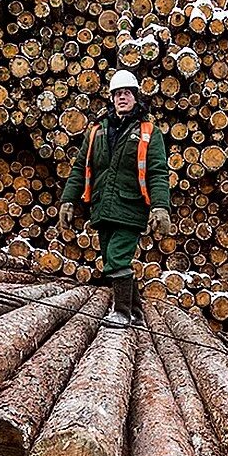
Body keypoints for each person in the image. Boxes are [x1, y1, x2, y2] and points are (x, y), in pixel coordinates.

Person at [58, 69, 172, 327]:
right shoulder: (96, 131)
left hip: (131, 205)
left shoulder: (148, 131)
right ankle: (136, 314)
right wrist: (68, 200)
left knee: (118, 257)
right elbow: (80, 168)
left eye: (127, 93)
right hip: (102, 205)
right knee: (111, 258)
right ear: (112, 98)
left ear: (135, 97)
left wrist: (160, 207)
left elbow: (157, 171)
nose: (122, 98)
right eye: (118, 94)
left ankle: (121, 313)